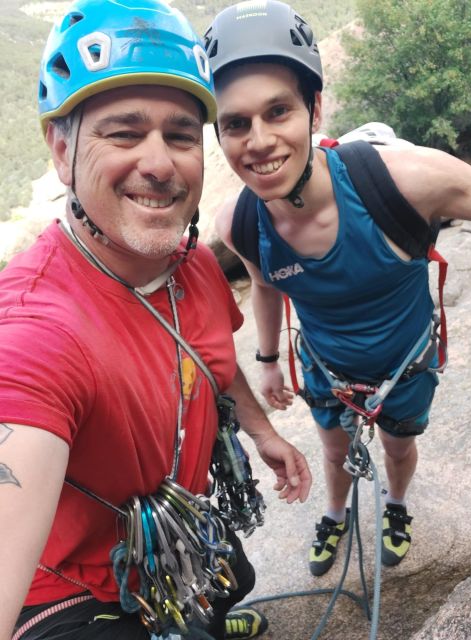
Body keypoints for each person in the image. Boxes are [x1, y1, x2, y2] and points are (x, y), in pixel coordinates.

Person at [0, 1, 313, 639]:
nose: (161, 163)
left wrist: (263, 435)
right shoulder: (33, 329)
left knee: (231, 585)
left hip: (177, 541)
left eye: (179, 135)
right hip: (80, 591)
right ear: (62, 149)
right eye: (123, 132)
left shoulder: (192, 264)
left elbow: (216, 366)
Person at [204, 0, 471, 577]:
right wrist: (269, 360)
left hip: (404, 368)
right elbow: (262, 284)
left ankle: (395, 504)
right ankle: (334, 513)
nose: (257, 141)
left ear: (315, 108)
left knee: (399, 448)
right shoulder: (241, 223)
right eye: (235, 123)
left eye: (278, 111)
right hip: (327, 370)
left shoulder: (401, 181)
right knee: (332, 450)